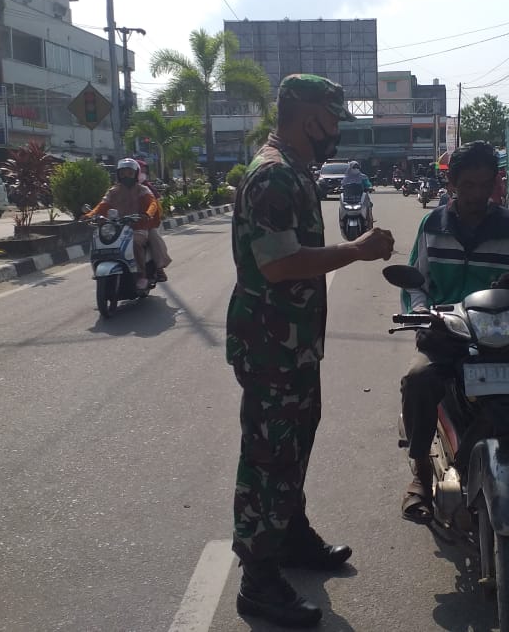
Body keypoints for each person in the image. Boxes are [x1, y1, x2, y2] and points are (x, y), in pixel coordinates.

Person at [226, 73, 395, 628]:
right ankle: (258, 580)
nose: (337, 129)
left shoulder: (295, 171)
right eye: (333, 117)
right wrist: (355, 250)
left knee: (294, 447)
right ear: (307, 116)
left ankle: (291, 537)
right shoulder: (273, 175)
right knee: (269, 459)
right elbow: (279, 264)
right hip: (272, 344)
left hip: (291, 343)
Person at [398, 141, 509, 524]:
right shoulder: (432, 225)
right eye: (469, 185)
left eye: (485, 184)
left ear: (496, 183)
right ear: (453, 184)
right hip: (447, 332)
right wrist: (419, 312)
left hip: (501, 338)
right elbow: (416, 281)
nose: (478, 193)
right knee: (418, 380)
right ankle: (420, 473)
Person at [84, 158, 160, 291]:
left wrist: (148, 213)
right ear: (118, 174)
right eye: (123, 173)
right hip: (117, 228)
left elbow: (152, 203)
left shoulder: (142, 189)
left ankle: (142, 275)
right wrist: (90, 215)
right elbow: (102, 205)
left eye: (129, 173)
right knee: (99, 240)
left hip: (138, 227)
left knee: (135, 243)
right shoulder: (113, 191)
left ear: (135, 174)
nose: (126, 176)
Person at [135, 158, 172, 281]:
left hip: (146, 222)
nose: (142, 174)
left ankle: (159, 269)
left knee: (154, 237)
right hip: (125, 224)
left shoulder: (147, 188)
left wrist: (148, 214)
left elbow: (154, 203)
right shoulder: (118, 189)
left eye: (144, 171)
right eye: (141, 171)